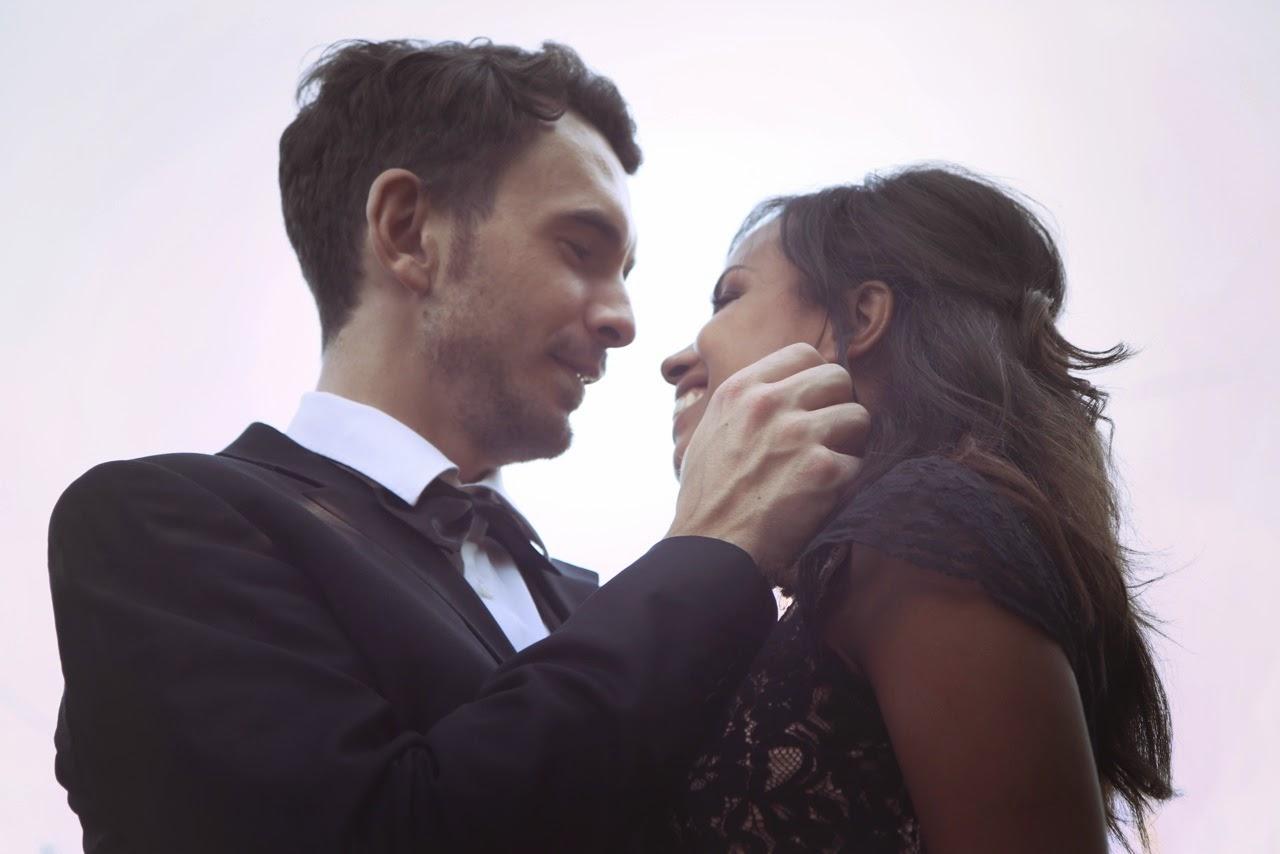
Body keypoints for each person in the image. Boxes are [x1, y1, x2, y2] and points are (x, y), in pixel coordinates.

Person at [46, 40, 869, 854]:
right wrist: (712, 546)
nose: (624, 319)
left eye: (624, 271)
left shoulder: (589, 606)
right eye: (581, 251)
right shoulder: (159, 527)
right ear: (408, 231)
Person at [647, 166, 1174, 852]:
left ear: (860, 319)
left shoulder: (922, 532)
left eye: (728, 298)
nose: (677, 359)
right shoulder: (886, 552)